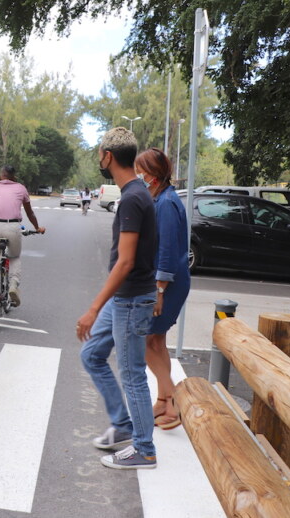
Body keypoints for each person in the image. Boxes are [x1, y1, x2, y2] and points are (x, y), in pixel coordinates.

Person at [76, 127, 158, 470]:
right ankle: (123, 425)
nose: (99, 159)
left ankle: (144, 449)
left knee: (132, 374)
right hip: (127, 299)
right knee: (92, 354)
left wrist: (93, 309)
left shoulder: (132, 199)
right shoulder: (137, 193)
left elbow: (125, 261)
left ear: (108, 157)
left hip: (130, 300)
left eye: (99, 154)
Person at [134, 148, 191, 430]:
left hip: (166, 284)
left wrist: (158, 291)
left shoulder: (166, 203)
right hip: (164, 282)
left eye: (140, 171)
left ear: (153, 176)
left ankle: (172, 405)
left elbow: (167, 250)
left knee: (146, 340)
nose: (137, 176)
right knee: (156, 342)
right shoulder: (160, 198)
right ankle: (164, 400)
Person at [0, 165, 45, 307]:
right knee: (14, 257)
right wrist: (37, 228)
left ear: (1, 175)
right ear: (13, 176)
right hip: (13, 227)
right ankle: (13, 285)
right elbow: (30, 213)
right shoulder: (21, 188)